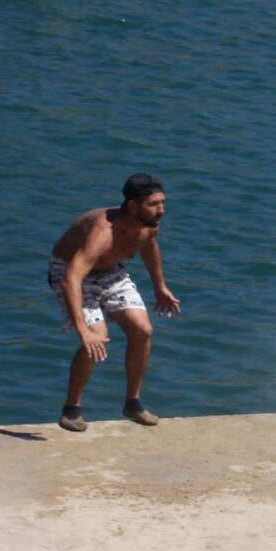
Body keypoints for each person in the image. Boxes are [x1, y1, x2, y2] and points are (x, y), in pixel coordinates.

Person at [47, 174, 180, 432]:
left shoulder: (150, 223)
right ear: (132, 206)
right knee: (97, 337)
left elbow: (149, 246)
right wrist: (83, 329)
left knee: (143, 330)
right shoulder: (102, 232)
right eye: (154, 204)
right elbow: (71, 279)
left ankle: (133, 402)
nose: (161, 210)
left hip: (110, 272)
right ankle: (71, 409)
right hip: (71, 271)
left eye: (162, 202)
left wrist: (159, 286)